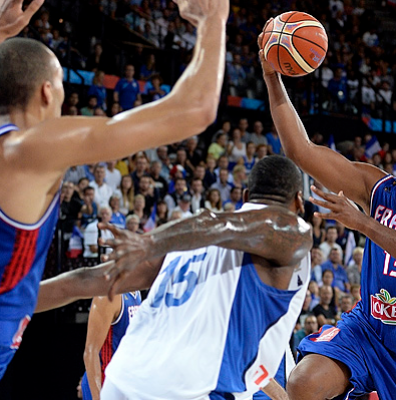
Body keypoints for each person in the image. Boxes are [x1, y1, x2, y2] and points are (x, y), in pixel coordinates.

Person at [0, 0, 227, 377]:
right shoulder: (29, 149)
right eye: (60, 88)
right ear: (45, 93)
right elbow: (195, 110)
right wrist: (213, 19)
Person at [259, 32, 396, 399]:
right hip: (367, 331)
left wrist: (363, 222)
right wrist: (272, 77)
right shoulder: (376, 187)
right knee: (302, 384)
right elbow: (299, 149)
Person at [96, 156, 312, 399]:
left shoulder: (204, 255)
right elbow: (89, 351)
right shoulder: (231, 273)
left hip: (133, 378)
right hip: (183, 378)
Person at [81, 290, 142, 400]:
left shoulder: (136, 292)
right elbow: (90, 353)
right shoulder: (108, 295)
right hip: (104, 382)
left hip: (124, 383)